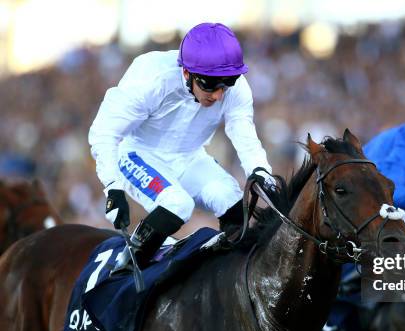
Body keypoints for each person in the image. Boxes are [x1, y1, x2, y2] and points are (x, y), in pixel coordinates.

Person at [89, 22, 274, 268]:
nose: (218, 95)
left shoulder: (236, 89)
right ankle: (126, 269)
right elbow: (103, 132)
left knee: (230, 197)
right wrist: (112, 187)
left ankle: (228, 275)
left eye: (226, 83)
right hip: (139, 155)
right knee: (178, 204)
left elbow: (242, 131)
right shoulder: (151, 77)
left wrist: (260, 171)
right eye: (210, 84)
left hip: (191, 157)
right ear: (186, 73)